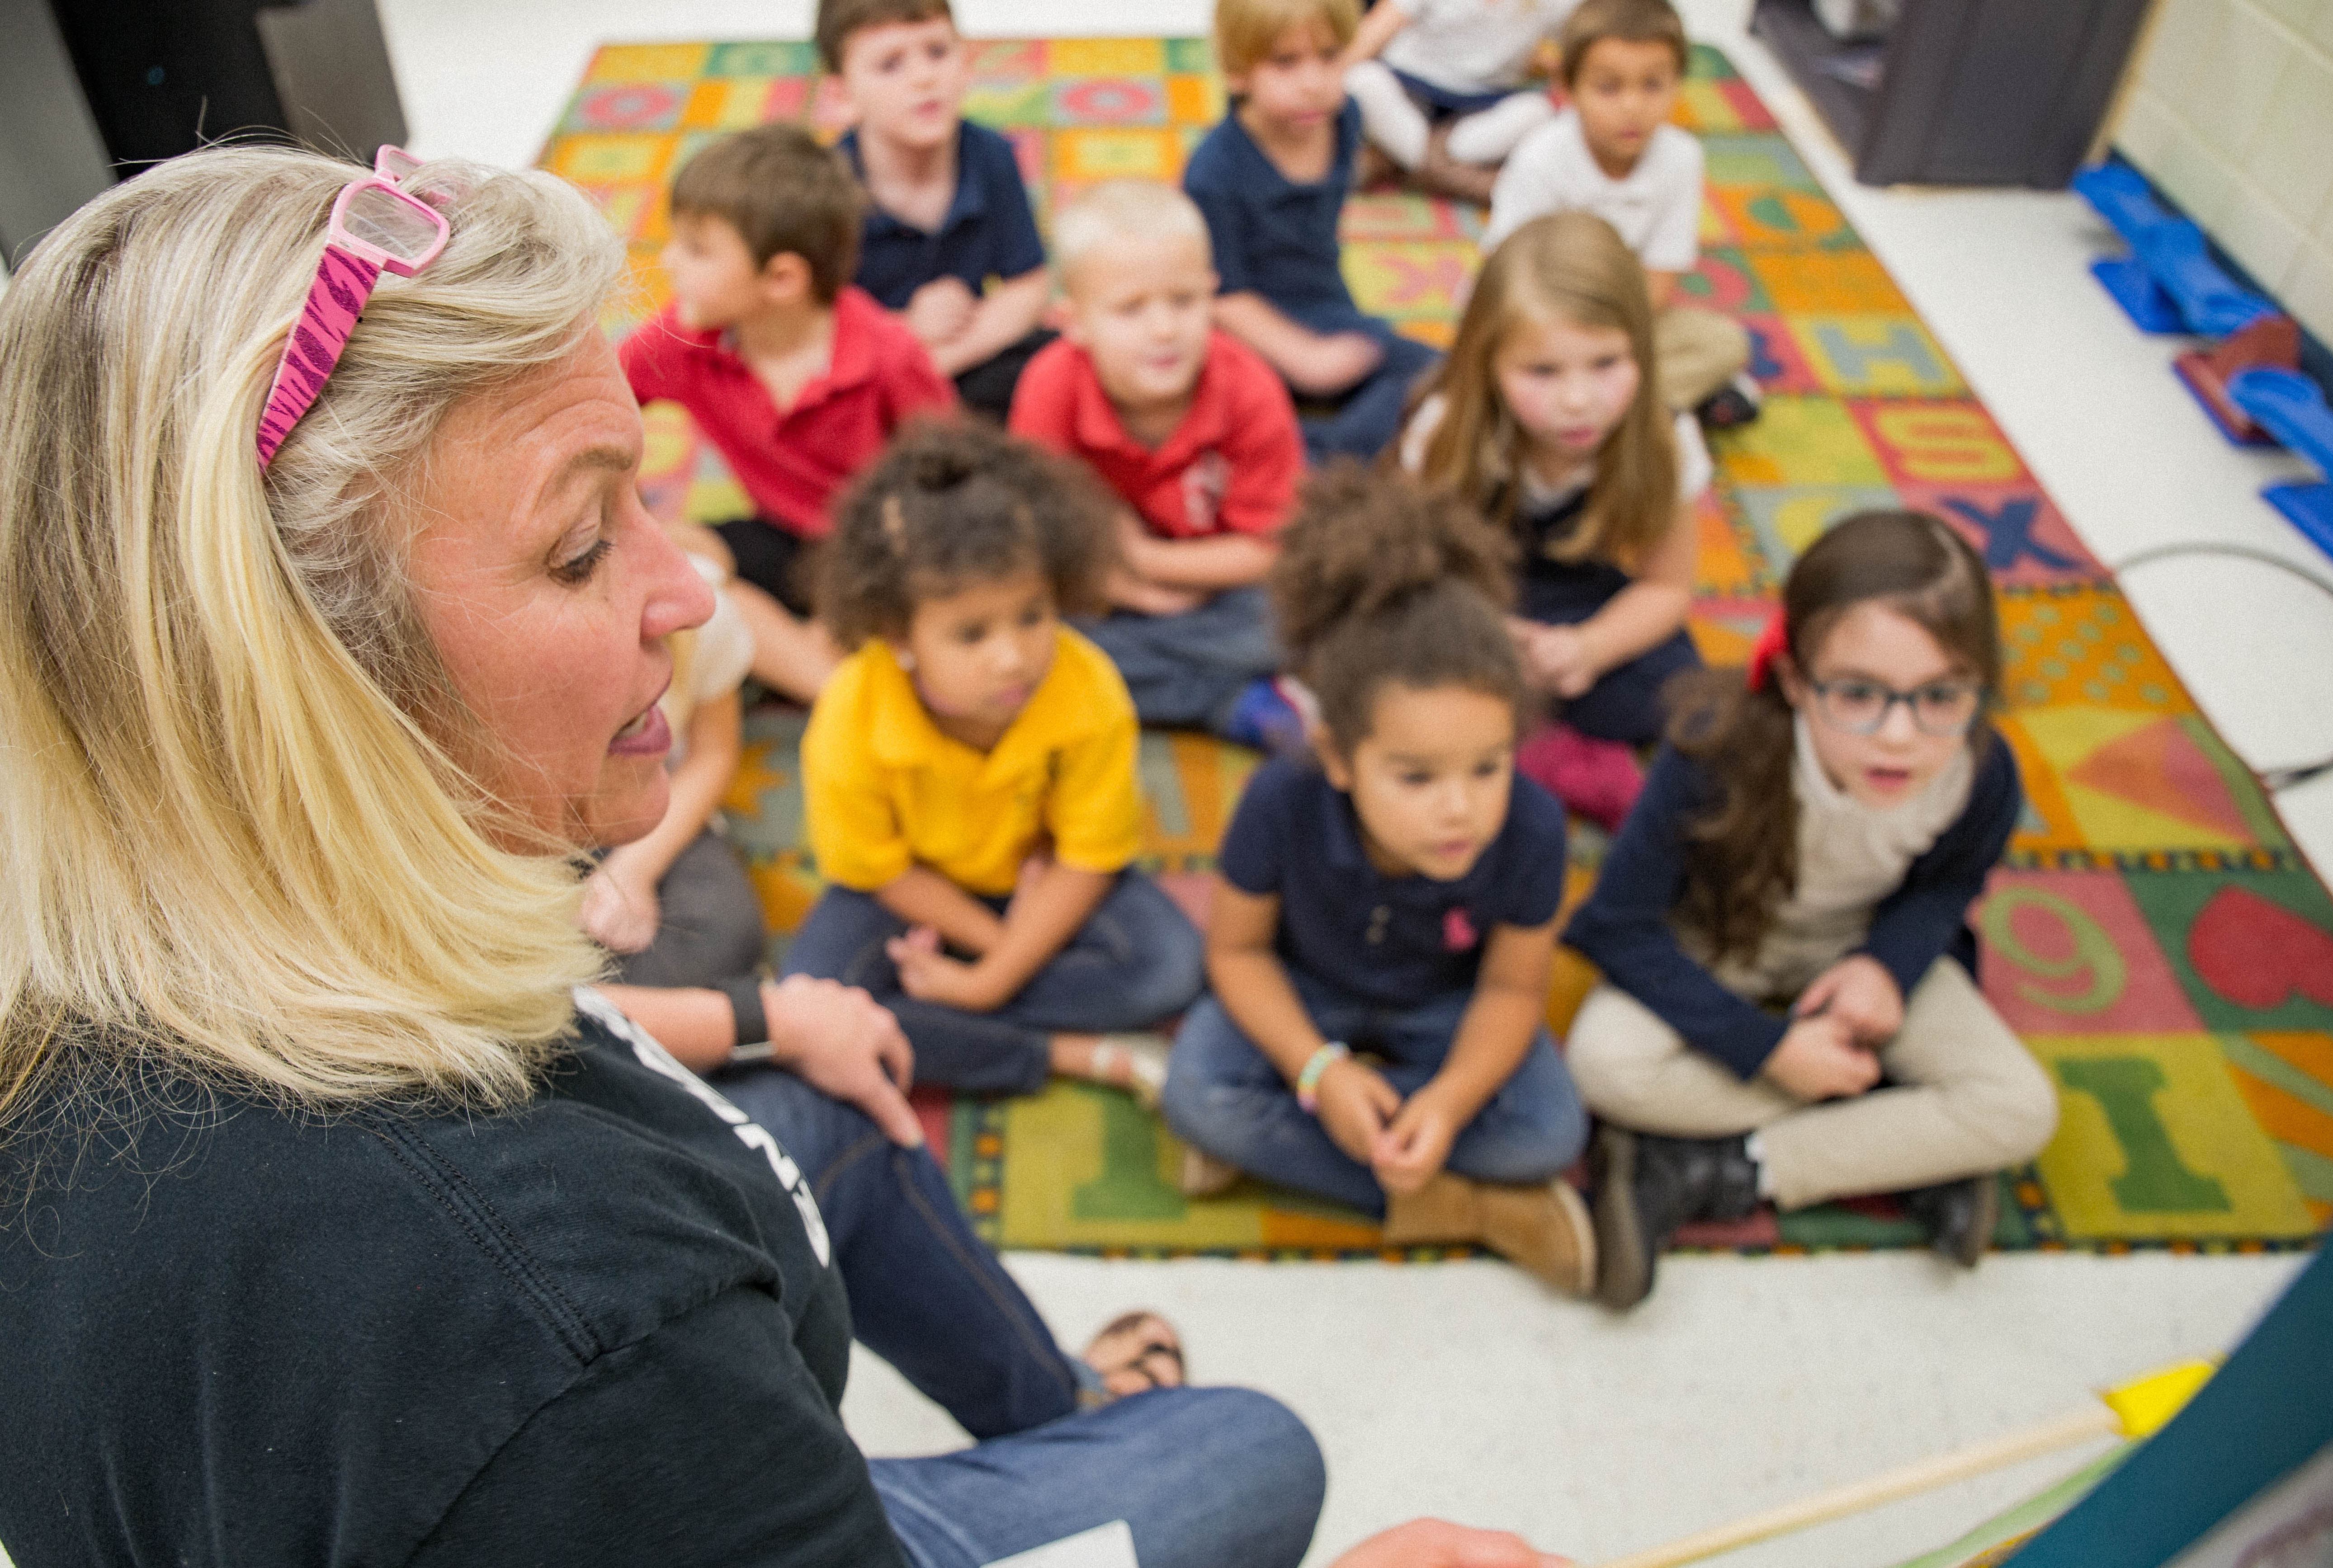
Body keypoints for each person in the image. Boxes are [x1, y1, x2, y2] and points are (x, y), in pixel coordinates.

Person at [0, 144, 1359, 1568]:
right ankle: (1076, 1433)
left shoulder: (159, 951)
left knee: (843, 1086)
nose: (693, 588)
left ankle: (1057, 1407)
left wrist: (772, 1016)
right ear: (299, 676)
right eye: (585, 546)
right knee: (1255, 1445)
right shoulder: (586, 1344)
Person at [1564, 510, 2059, 1310]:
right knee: (1604, 1065)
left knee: (2019, 1106)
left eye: (1941, 695)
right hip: (1720, 937)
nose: (1898, 735)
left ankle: (1717, 1168)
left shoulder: (1982, 772)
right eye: (1857, 693)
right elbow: (1613, 925)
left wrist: (1886, 965)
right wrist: (1767, 1049)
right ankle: (1900, 1139)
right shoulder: (1711, 748)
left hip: (1855, 950)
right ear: (1795, 679)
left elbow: (1945, 886)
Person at [1160, 468, 1594, 1295]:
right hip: (1307, 991)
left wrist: (1450, 1104)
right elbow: (1240, 952)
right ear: (1336, 757)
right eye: (1415, 777)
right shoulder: (1281, 800)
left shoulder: (1534, 826)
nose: (1459, 809)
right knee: (1196, 1089)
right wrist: (1319, 1070)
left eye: (1486, 766)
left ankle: (1325, 1148)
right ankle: (1470, 1205)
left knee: (1548, 1130)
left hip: (1442, 1008)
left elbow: (1509, 992)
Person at [785, 421, 1206, 1100]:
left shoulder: (1088, 688)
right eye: (971, 633)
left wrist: (990, 980)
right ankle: (1060, 1052)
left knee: (1168, 968)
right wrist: (995, 945)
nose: (1012, 656)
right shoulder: (850, 715)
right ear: (899, 633)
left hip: (1044, 881)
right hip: (913, 889)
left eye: (1032, 615)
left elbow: (1088, 858)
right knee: (805, 1000)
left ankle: (931, 1022)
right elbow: (882, 870)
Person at [622, 123, 955, 703]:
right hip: (781, 538)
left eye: (697, 249)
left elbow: (948, 474)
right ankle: (832, 679)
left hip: (880, 543)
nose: (669, 261)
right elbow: (597, 405)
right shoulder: (684, 338)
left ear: (782, 278)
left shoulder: (888, 353)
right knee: (667, 553)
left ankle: (831, 677)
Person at [1396, 212, 1705, 830]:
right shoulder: (1444, 429)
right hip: (1463, 592)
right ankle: (1545, 754)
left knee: (1677, 695)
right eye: (1542, 372)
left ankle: (1509, 734)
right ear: (1488, 364)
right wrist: (1485, 629)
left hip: (1577, 599)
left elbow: (1667, 587)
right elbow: (1408, 566)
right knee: (1388, 655)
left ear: (1641, 350)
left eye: (1605, 363)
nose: (1577, 400)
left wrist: (1590, 648)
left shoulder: (1666, 442)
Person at [1009, 180, 1305, 749]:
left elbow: (1266, 552)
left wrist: (1151, 561)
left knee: (1301, 616)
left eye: (1184, 300)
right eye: (1130, 308)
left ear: (1212, 296)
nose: (1164, 329)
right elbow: (1034, 534)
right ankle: (1227, 701)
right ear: (1072, 320)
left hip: (1225, 590)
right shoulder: (1049, 385)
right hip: (1096, 591)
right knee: (1013, 638)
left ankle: (1137, 683)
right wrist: (1118, 582)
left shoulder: (1251, 389)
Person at [1185, 0, 1443, 462]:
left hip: (1327, 306)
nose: (1314, 83)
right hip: (1243, 331)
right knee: (1206, 405)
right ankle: (1307, 451)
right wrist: (1305, 358)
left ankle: (1320, 453)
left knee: (1438, 372)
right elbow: (1223, 296)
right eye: (1285, 63)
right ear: (1237, 72)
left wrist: (1328, 349)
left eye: (1329, 56)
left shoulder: (1345, 121)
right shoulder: (1212, 173)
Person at [1485, 0, 1757, 427]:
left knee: (1723, 343)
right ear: (1568, 88)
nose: (1632, 106)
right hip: (1536, 316)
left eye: (1652, 85)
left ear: (1678, 85)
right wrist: (1575, 355)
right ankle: (1641, 411)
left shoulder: (1682, 158)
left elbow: (1660, 285)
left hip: (1622, 322)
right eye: (1609, 88)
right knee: (1490, 361)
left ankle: (1605, 412)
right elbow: (1506, 277)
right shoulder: (1540, 158)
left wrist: (1606, 354)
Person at [820, 0, 1057, 422]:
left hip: (967, 352)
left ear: (966, 63)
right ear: (842, 96)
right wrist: (907, 329)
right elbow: (815, 325)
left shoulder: (992, 157)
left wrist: (940, 362)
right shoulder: (823, 193)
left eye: (937, 52)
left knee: (1063, 367)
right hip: (870, 372)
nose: (925, 78)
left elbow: (1029, 284)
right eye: (891, 64)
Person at [581, 523, 765, 991]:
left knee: (725, 929)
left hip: (654, 806)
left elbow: (713, 755)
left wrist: (634, 870)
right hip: (521, 823)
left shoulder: (700, 611)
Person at [1341, 0, 1576, 204]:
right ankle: (1462, 178)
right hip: (1410, 89)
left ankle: (1398, 163)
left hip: (1483, 109)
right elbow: (1374, 33)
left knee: (1539, 110)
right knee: (1361, 78)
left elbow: (1582, 44)